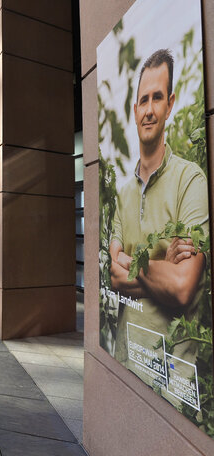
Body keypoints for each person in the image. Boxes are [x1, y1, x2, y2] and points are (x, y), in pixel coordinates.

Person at [108, 49, 209, 396]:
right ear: (134, 110)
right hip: (126, 360)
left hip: (174, 383)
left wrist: (135, 265)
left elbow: (182, 288)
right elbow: (113, 275)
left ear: (170, 104)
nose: (149, 109)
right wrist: (160, 266)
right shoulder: (122, 195)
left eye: (157, 98)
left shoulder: (191, 181)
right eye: (143, 100)